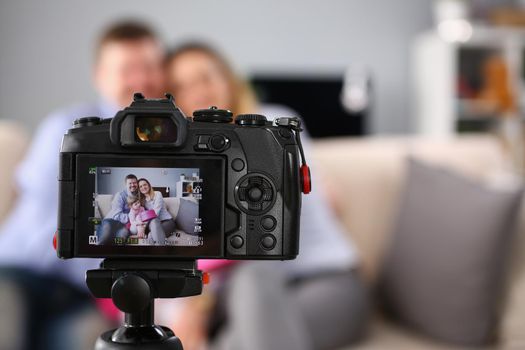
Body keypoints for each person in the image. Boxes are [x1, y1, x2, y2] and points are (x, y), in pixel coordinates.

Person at [164, 42, 369, 350]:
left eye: (206, 77)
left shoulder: (274, 124)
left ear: (228, 80)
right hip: (243, 293)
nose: (198, 91)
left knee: (250, 294)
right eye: (183, 85)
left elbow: (271, 226)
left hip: (324, 282)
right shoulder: (185, 163)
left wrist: (200, 303)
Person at [0, 20, 166, 350]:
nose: (140, 79)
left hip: (85, 295)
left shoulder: (169, 146)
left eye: (149, 66)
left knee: (86, 339)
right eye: (127, 68)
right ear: (100, 76)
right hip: (21, 272)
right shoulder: (67, 127)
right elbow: (62, 208)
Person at [98, 174, 168, 246]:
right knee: (105, 238)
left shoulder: (140, 197)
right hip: (112, 221)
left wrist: (140, 224)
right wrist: (135, 218)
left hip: (124, 226)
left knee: (122, 238)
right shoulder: (120, 195)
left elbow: (145, 213)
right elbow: (116, 215)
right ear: (126, 184)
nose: (132, 185)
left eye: (134, 183)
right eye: (130, 183)